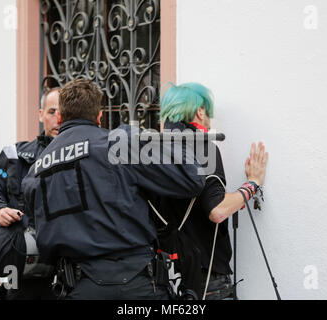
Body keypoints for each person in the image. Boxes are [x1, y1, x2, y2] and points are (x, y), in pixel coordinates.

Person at [22, 79, 206, 300]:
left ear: (60, 117)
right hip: (138, 285)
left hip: (78, 286)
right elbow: (192, 178)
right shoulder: (120, 144)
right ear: (100, 116)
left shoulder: (37, 169)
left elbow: (36, 231)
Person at [158, 82, 269, 300]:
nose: (209, 120)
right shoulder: (203, 147)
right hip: (207, 281)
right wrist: (252, 184)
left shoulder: (153, 150)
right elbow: (217, 210)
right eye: (208, 113)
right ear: (200, 112)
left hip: (165, 280)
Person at [0, 87, 60, 300]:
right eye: (52, 111)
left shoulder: (83, 156)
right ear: (40, 114)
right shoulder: (14, 155)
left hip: (67, 270)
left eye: (64, 113)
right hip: (23, 271)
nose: (58, 119)